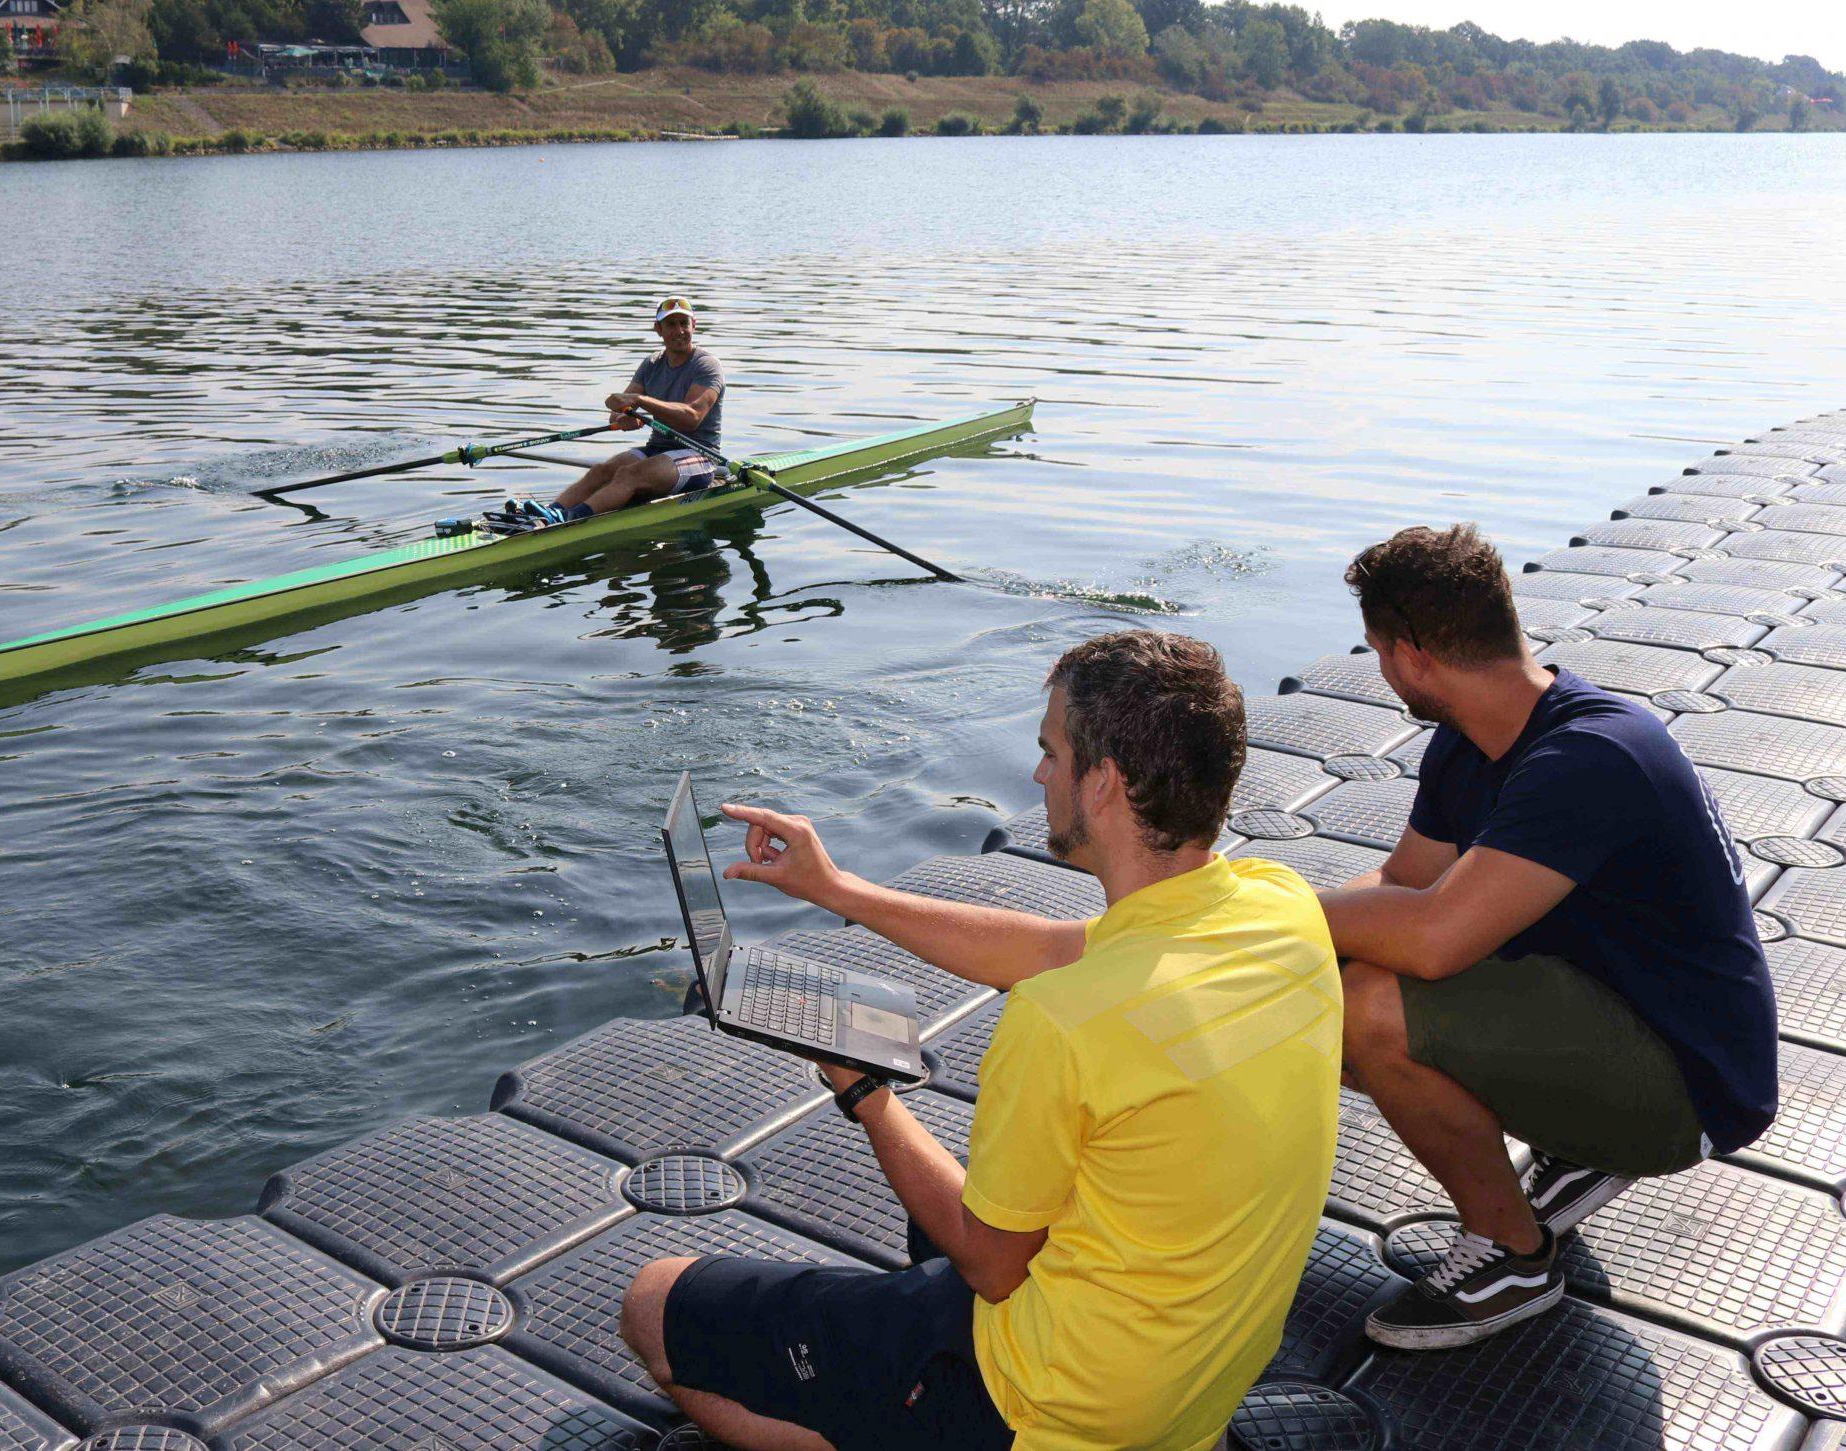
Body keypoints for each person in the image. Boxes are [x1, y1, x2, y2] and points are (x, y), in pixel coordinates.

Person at [618, 631, 1343, 1451]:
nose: (1038, 773)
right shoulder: (1278, 905)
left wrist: (865, 1091)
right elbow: (1043, 947)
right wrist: (839, 889)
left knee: (651, 1301)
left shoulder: (1067, 1021)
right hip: (1191, 1386)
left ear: (1102, 783)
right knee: (987, 1200)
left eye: (1051, 751)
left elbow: (991, 1268)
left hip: (1047, 1406)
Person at [1320, 524, 1778, 1350]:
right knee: (1315, 981)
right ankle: (1577, 1141)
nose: (1382, 671)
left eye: (1378, 650)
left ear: (1414, 655)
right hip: (1619, 1008)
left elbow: (1430, 940)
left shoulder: (1589, 755)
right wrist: (1264, 945)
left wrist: (1280, 918)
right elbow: (1402, 882)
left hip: (1693, 1083)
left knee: (1368, 1010)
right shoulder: (1475, 733)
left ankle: (1513, 1257)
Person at [493, 296, 726, 526]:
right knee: (601, 471)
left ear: (694, 325)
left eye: (684, 323)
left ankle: (568, 521)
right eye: (671, 324)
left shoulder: (706, 365)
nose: (679, 331)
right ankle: (547, 514)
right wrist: (623, 417)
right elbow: (620, 407)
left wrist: (641, 401)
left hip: (699, 455)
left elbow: (691, 417)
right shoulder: (652, 364)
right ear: (658, 329)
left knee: (628, 475)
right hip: (658, 449)